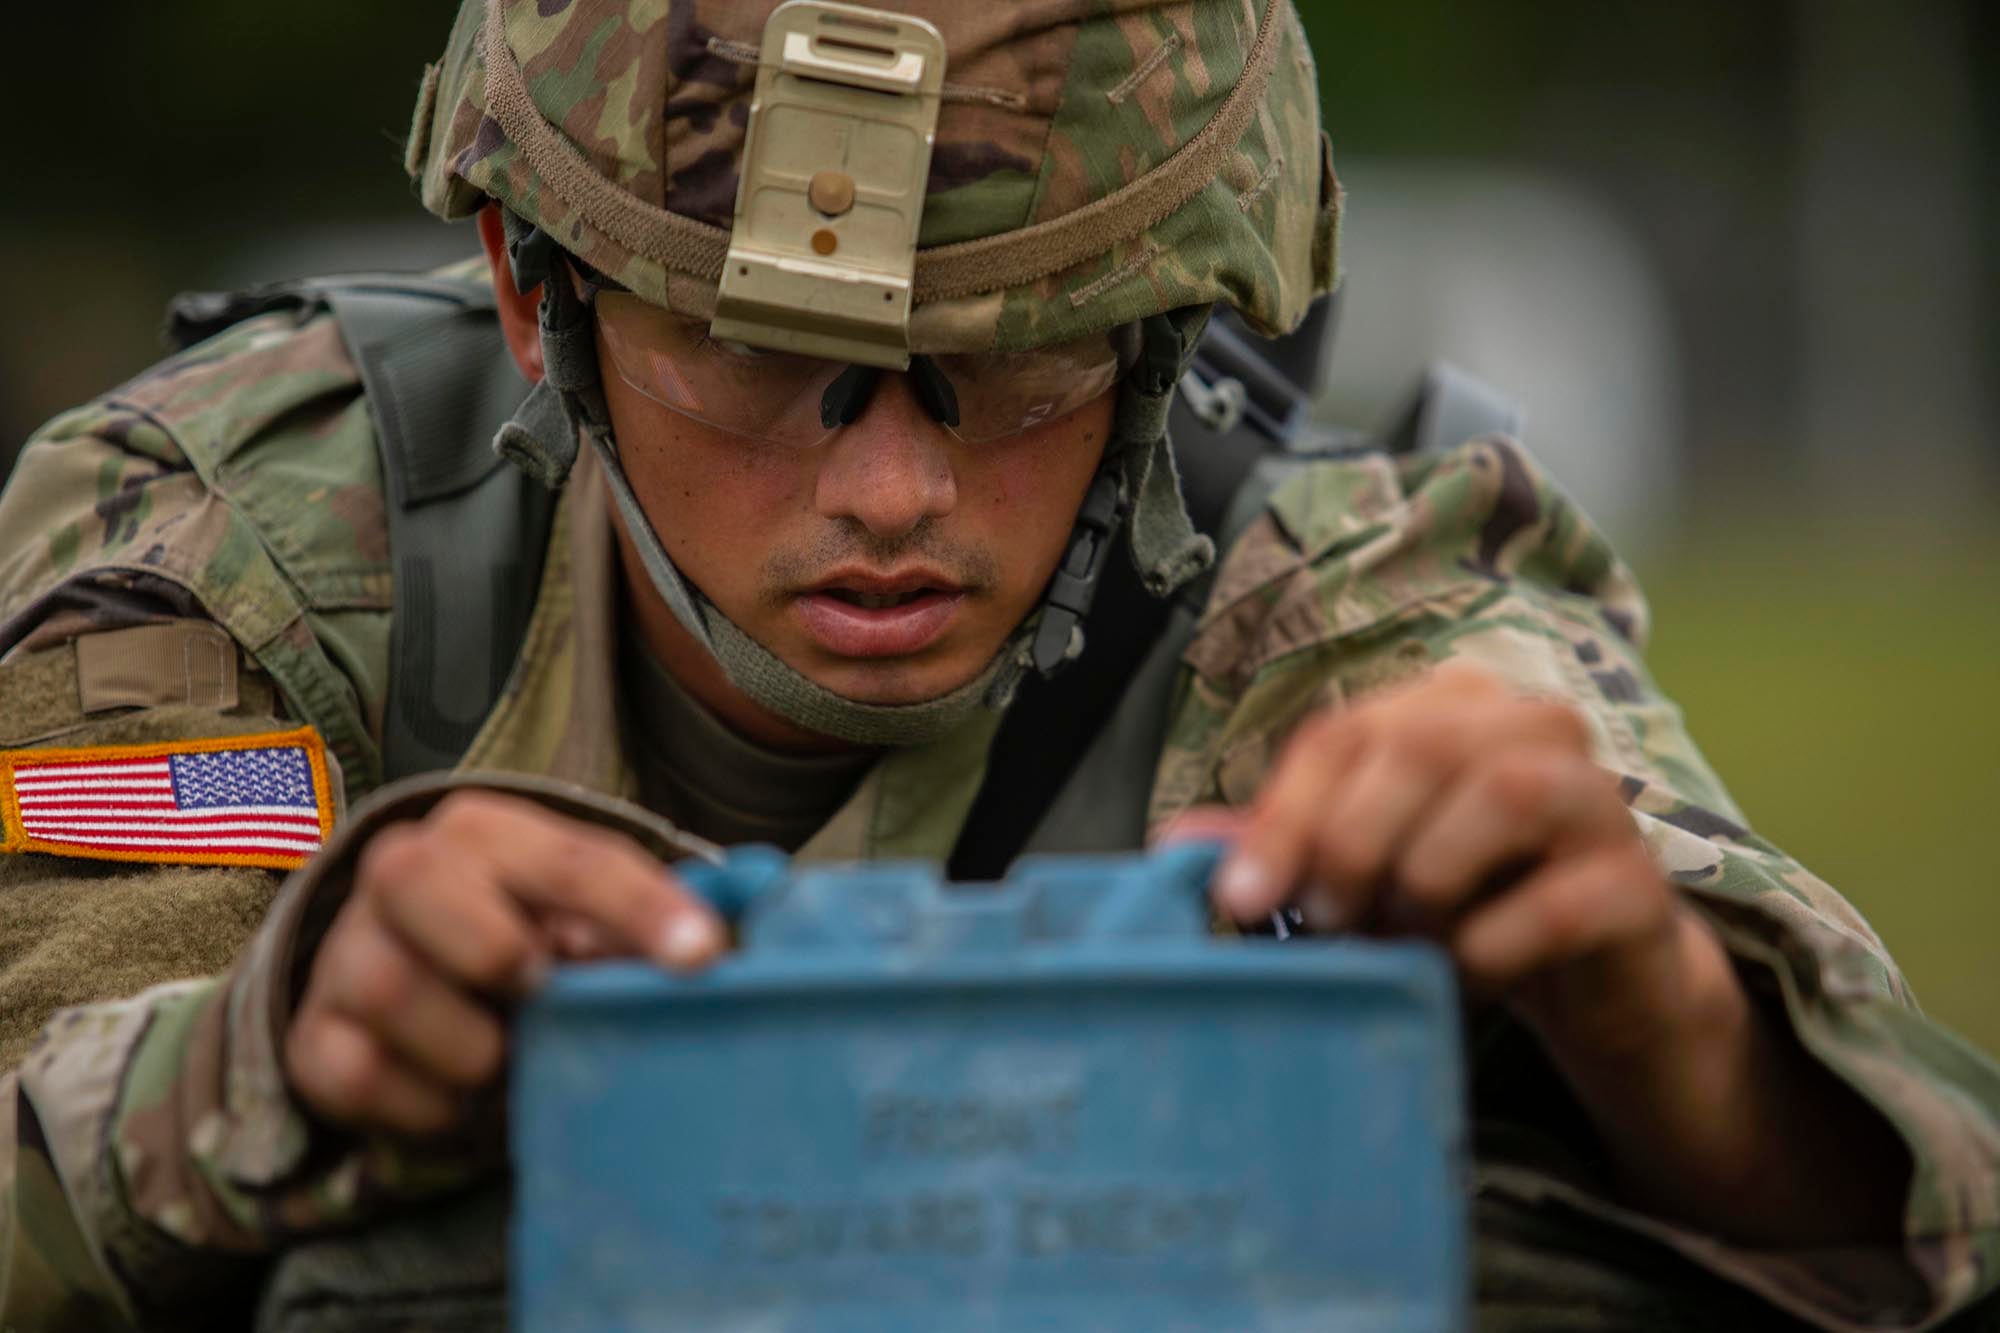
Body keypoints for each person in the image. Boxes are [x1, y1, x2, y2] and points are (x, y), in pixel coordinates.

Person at [0, 1, 1994, 1328]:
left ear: (1149, 338)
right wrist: (284, 1053)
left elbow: (1915, 1207)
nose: (891, 486)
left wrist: (1640, 1003)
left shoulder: (1329, 572)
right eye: (769, 363)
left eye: (1022, 357)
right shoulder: (253, 543)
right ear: (538, 297)